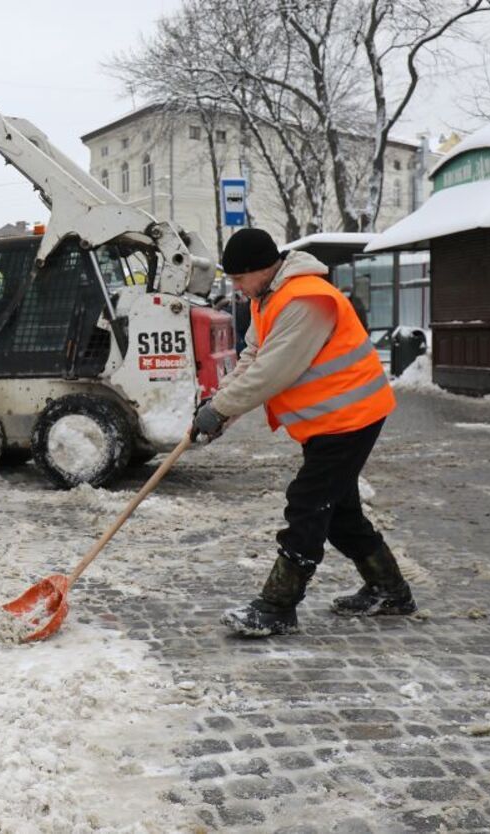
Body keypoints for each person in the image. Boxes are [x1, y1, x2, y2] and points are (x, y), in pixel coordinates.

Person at [192, 228, 415, 638]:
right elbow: (253, 358)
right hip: (328, 420)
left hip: (351, 415)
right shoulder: (269, 298)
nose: (237, 289)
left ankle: (278, 606)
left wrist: (221, 409)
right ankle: (390, 590)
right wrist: (217, 410)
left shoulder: (305, 299)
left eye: (239, 279)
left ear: (261, 269)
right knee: (341, 513)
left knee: (309, 504)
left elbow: (272, 373)